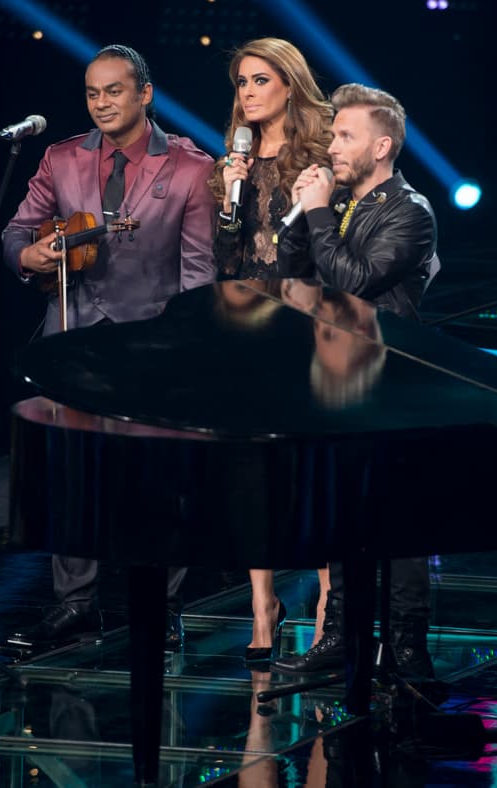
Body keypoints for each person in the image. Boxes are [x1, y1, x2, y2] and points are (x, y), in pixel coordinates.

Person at [1, 44, 216, 651]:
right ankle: (74, 605)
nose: (101, 103)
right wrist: (27, 254)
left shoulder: (192, 168)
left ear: (145, 93)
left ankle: (163, 607)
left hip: (153, 344)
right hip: (70, 338)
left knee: (158, 479)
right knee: (70, 476)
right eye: (93, 93)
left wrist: (185, 349)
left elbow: (199, 273)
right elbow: (20, 226)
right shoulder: (61, 157)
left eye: (114, 91)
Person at [272, 82, 440, 680]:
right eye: (334, 133)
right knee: (340, 511)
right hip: (334, 373)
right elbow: (293, 279)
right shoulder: (340, 205)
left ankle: (406, 645)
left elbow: (354, 282)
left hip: (388, 379)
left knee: (400, 518)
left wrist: (317, 213)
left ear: (383, 145)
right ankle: (342, 637)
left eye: (346, 136)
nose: (333, 145)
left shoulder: (410, 211)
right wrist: (296, 219)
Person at [208, 38, 334, 664]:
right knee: (253, 470)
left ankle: (327, 601)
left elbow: (324, 250)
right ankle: (263, 606)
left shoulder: (319, 157)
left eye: (259, 80)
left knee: (312, 470)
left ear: (289, 84)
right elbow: (225, 262)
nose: (247, 93)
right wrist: (229, 200)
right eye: (240, 83)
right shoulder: (234, 163)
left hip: (308, 324)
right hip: (249, 326)